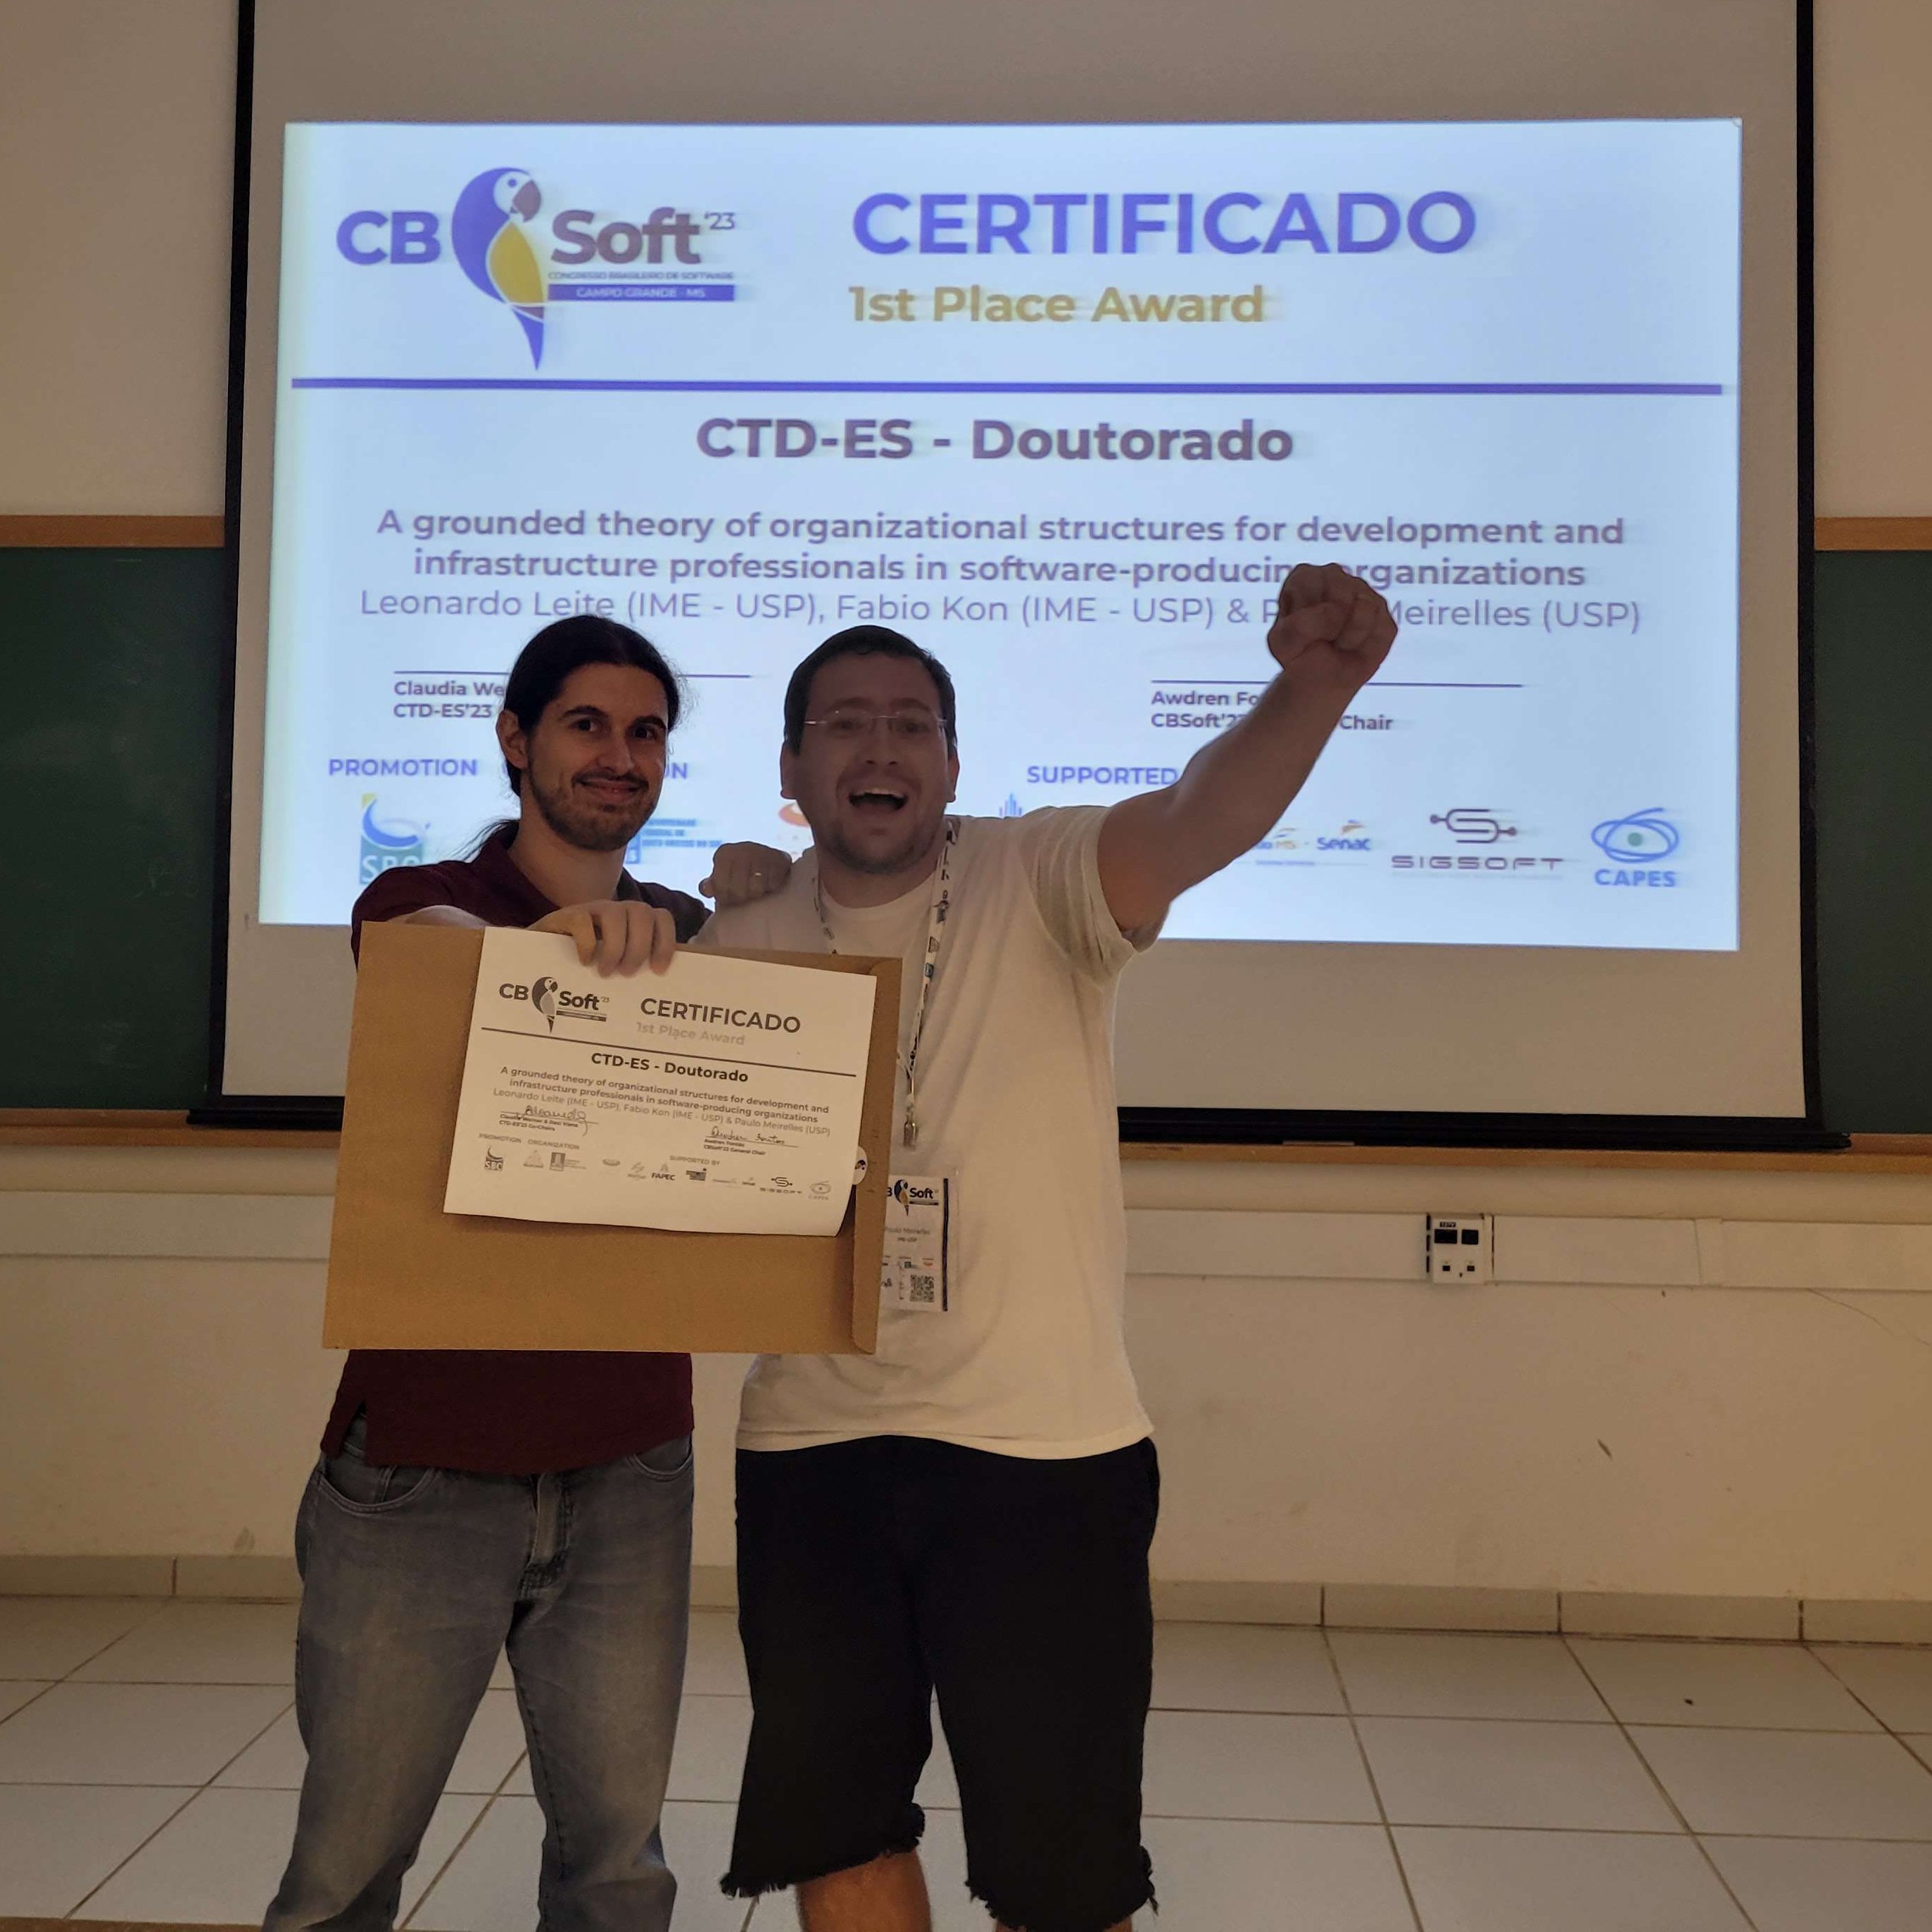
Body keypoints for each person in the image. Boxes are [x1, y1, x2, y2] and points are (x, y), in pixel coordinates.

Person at [697, 564, 1396, 1932]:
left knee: (1058, 1869)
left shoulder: (1042, 872)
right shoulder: (735, 928)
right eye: (842, 722)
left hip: (1044, 1457)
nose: (879, 742)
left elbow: (1202, 813)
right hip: (808, 1454)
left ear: (952, 762)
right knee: (834, 1831)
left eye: (910, 720)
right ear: (791, 764)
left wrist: (1311, 686)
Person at [265, 614, 788, 1932]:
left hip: (630, 1464)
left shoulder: (694, 934)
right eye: (587, 723)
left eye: (647, 730)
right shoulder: (417, 899)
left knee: (618, 1869)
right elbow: (422, 942)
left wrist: (777, 914)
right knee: (345, 1872)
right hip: (421, 1468)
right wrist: (561, 947)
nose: (620, 755)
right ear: (514, 738)